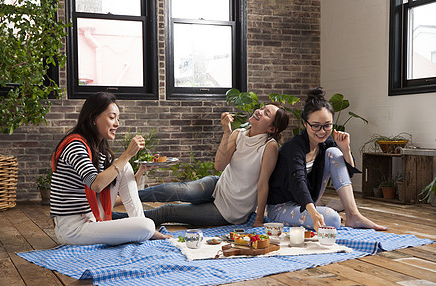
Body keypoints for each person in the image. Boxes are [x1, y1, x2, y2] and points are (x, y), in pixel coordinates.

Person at [134, 103, 289, 227]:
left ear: (271, 129)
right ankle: (126, 197)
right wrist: (227, 132)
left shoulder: (269, 146)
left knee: (167, 212)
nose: (260, 111)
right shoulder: (238, 134)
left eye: (266, 113)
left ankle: (118, 218)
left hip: (229, 210)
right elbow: (219, 166)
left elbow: (263, 184)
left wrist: (259, 219)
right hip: (218, 185)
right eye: (262, 108)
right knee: (180, 190)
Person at [50, 91, 170, 245]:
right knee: (146, 225)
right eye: (112, 117)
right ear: (94, 118)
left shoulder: (96, 150)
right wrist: (127, 155)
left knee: (124, 167)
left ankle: (142, 224)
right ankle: (144, 227)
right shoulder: (75, 145)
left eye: (118, 119)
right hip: (72, 228)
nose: (117, 123)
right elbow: (97, 185)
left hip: (92, 216)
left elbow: (118, 193)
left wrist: (140, 171)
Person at [267, 87, 387, 233]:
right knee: (333, 219)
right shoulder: (293, 148)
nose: (322, 131)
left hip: (307, 203)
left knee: (334, 152)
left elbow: (347, 174)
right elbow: (298, 183)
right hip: (282, 207)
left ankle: (353, 215)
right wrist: (314, 213)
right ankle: (320, 212)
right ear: (305, 123)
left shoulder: (325, 142)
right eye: (316, 126)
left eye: (327, 125)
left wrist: (346, 149)